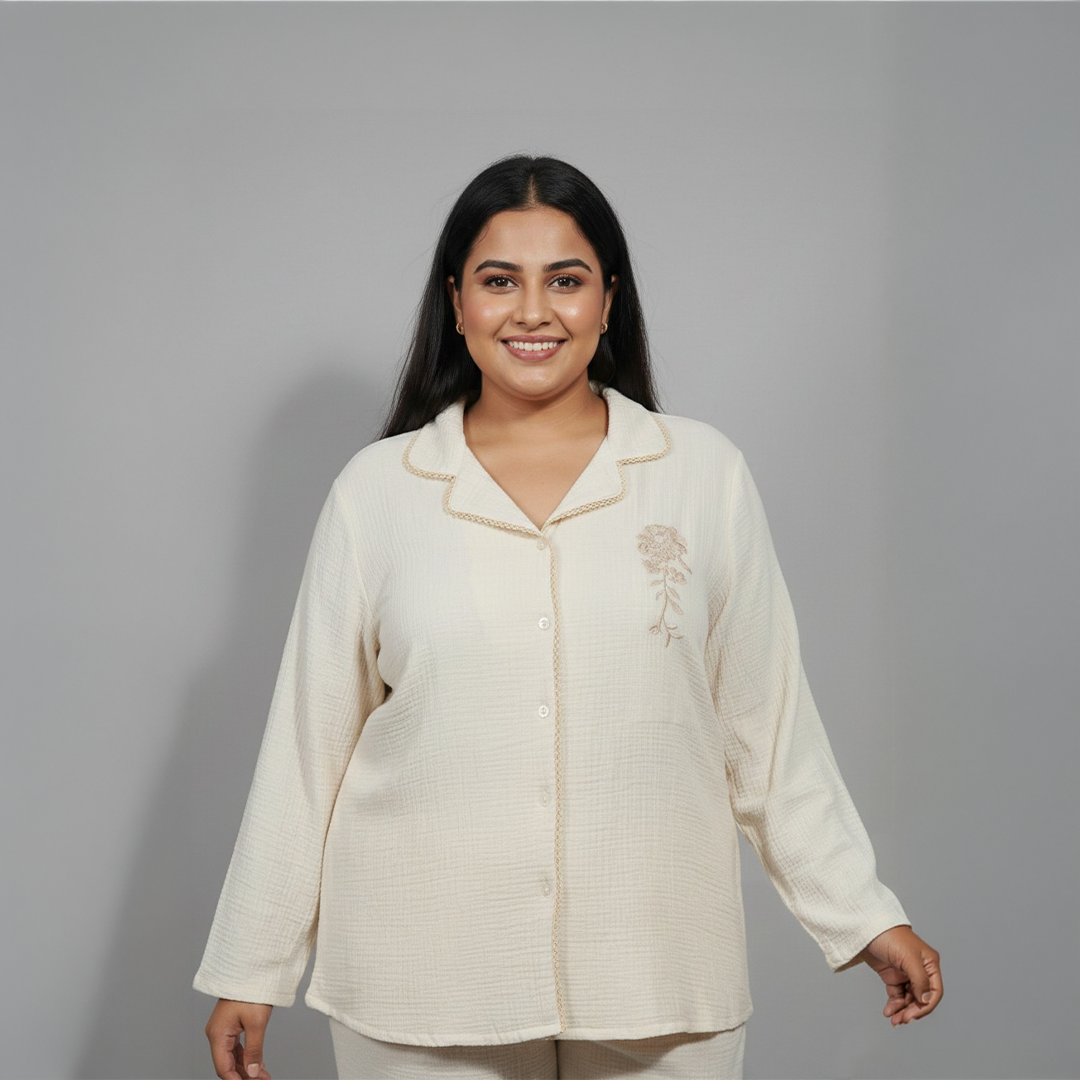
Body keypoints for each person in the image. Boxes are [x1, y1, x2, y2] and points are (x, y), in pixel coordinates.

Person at [194, 154, 942, 1080]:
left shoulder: (700, 475)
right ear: (457, 301)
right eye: (500, 280)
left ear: (609, 298)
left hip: (660, 973)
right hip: (422, 982)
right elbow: (308, 749)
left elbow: (766, 730)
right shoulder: (377, 493)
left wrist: (863, 914)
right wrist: (251, 965)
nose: (533, 310)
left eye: (567, 280)